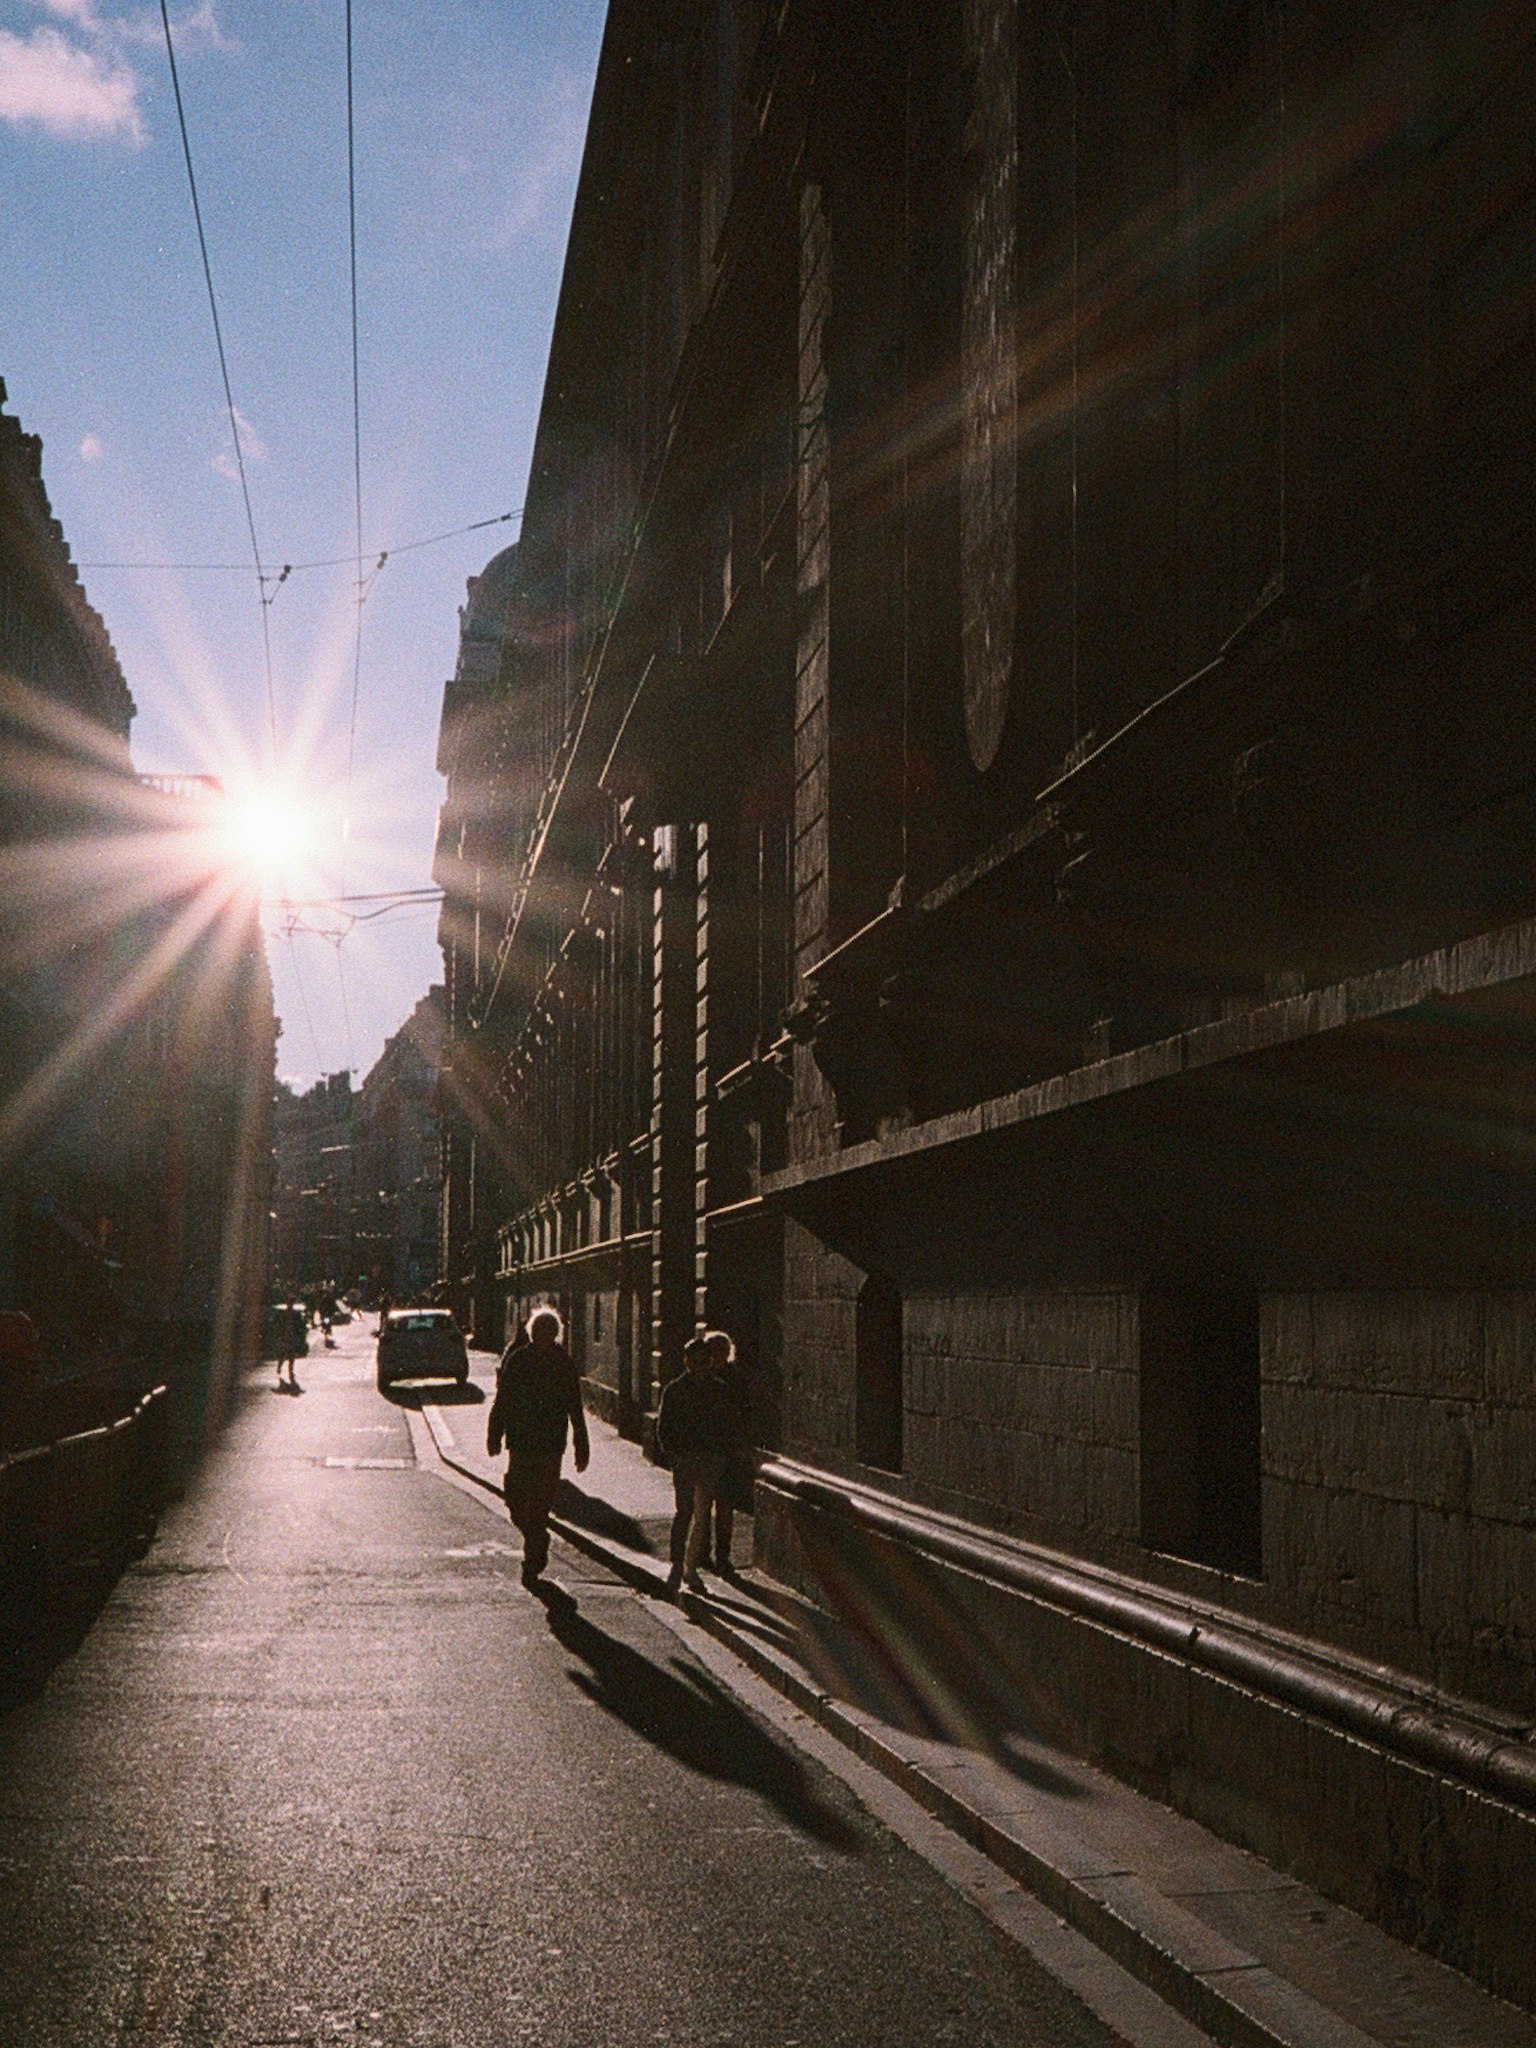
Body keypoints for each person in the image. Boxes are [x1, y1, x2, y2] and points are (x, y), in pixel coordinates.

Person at [485, 1307, 589, 1586]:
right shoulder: (518, 1360)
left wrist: (582, 1442)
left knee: (541, 1500)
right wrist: (494, 1433)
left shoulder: (563, 1362)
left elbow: (575, 1407)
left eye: (549, 1331)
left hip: (551, 1443)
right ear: (532, 1333)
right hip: (520, 1440)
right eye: (540, 1331)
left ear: (555, 1334)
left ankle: (534, 1551)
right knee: (515, 1498)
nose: (544, 1336)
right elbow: (503, 1399)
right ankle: (537, 1536)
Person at [657, 1329, 740, 1595]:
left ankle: (690, 1568)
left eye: (704, 1360)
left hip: (710, 1460)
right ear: (686, 1361)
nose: (700, 1365)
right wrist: (675, 1454)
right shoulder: (674, 1390)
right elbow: (664, 1427)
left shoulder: (720, 1390)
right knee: (684, 1513)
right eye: (694, 1360)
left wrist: (721, 1454)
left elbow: (728, 1425)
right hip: (686, 1459)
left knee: (702, 1515)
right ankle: (677, 1563)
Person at [705, 1329, 751, 1576]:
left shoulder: (734, 1379)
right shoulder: (703, 1378)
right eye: (713, 1351)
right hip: (707, 1452)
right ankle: (704, 1552)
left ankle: (722, 1556)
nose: (717, 1356)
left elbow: (744, 1413)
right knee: (703, 1506)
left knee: (724, 1508)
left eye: (721, 1351)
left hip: (727, 1452)